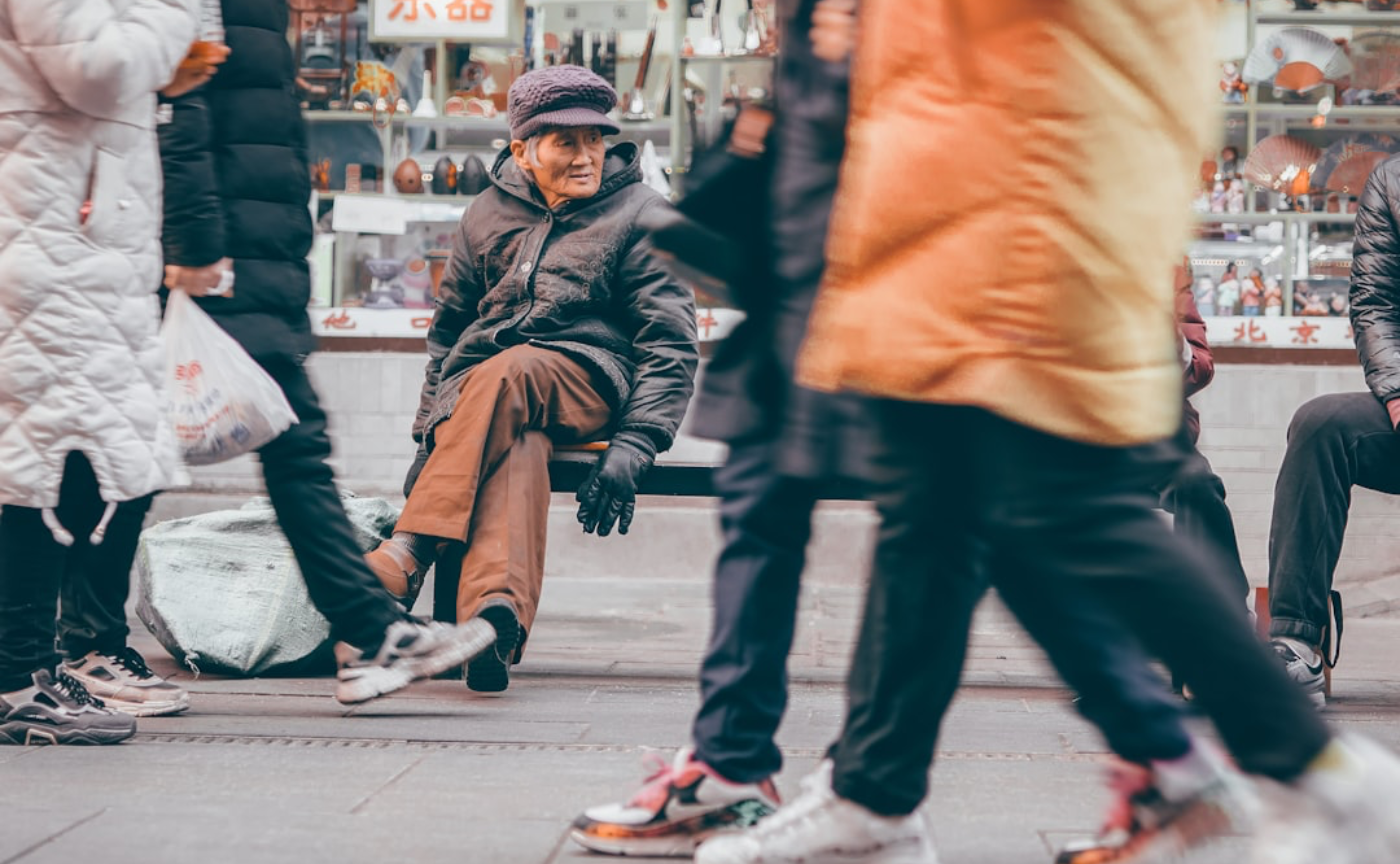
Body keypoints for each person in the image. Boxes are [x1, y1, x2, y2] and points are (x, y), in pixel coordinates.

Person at [694, 3, 1400, 864]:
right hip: (948, 203)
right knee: (941, 505)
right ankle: (875, 794)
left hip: (1006, 203)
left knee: (1053, 507)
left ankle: (1315, 772)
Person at [94, 0, 498, 711]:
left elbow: (255, 124)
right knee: (228, 445)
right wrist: (195, 247)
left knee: (154, 449)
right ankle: (368, 634)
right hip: (220, 258)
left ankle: (365, 635)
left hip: (254, 247)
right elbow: (179, 105)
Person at [569, 0, 878, 854]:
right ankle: (741, 765)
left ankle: (1214, 744)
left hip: (884, 300)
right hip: (807, 307)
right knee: (762, 512)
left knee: (992, 545)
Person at [363, 65, 699, 694]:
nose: (585, 157)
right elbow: (449, 332)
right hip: (490, 396)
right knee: (519, 442)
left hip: (588, 377)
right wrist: (428, 435)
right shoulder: (485, 212)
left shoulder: (642, 212)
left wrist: (638, 441)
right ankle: (495, 616)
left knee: (513, 369)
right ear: (521, 150)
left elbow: (670, 341)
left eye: (594, 140)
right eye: (565, 142)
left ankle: (411, 547)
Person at [0, 0, 200, 744]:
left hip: (77, 241)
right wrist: (174, 14)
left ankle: (31, 668)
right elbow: (100, 64)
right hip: (49, 244)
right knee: (44, 460)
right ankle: (19, 678)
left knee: (74, 458)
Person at [1266, 152, 1400, 707]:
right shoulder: (1391, 179)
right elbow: (1375, 301)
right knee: (1322, 425)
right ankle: (1297, 642)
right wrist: (1395, 394)